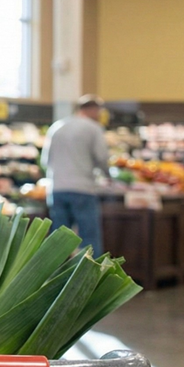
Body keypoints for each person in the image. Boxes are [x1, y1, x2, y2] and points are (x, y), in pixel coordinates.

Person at [41, 95, 109, 255]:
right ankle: (93, 271)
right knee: (89, 238)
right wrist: (107, 176)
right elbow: (102, 158)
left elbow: (45, 160)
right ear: (93, 110)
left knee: (59, 240)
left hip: (57, 189)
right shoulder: (93, 128)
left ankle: (56, 270)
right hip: (83, 189)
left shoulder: (57, 127)